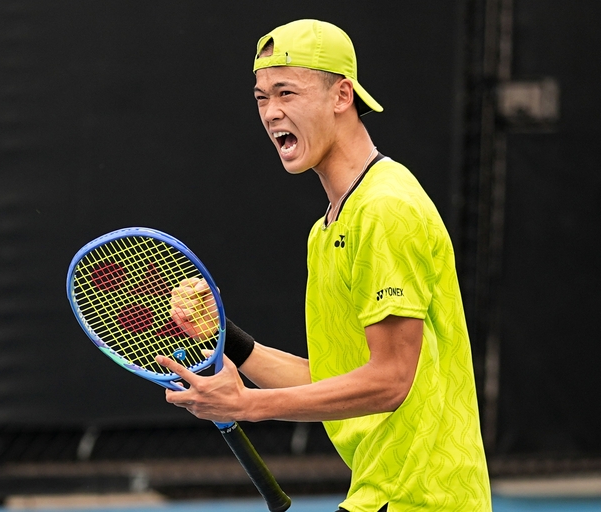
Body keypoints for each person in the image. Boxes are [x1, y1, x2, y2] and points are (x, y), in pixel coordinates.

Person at [156, 19, 492, 512]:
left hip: (423, 499)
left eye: (286, 92)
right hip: (380, 493)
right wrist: (226, 337)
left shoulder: (385, 209)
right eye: (262, 97)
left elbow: (390, 380)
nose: (271, 112)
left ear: (341, 96)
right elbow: (336, 380)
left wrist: (248, 405)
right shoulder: (328, 228)